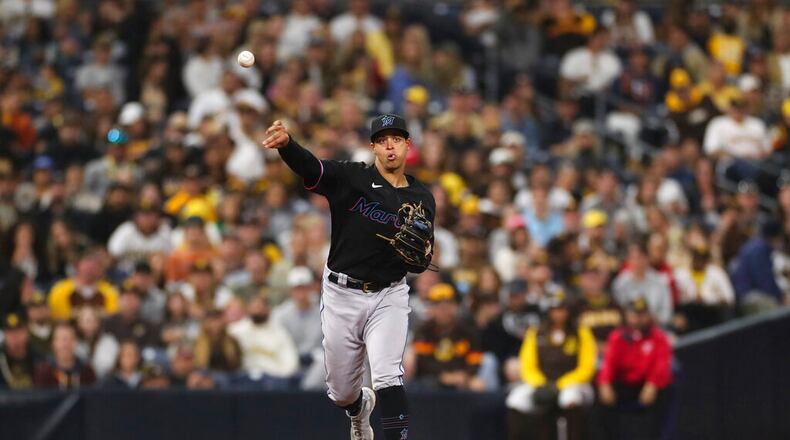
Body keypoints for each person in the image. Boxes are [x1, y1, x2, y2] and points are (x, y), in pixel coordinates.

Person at [262, 114, 436, 440]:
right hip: (343, 293)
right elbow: (312, 169)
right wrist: (288, 146)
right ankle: (358, 409)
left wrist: (420, 258)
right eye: (382, 140)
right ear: (372, 147)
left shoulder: (422, 197)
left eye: (396, 138)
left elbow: (419, 259)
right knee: (341, 392)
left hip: (389, 295)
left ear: (407, 144)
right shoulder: (351, 178)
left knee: (388, 376)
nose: (390, 145)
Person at [506, 295, 596, 440]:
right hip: (543, 382)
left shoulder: (580, 332)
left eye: (562, 309)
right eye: (554, 310)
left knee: (569, 398)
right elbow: (527, 365)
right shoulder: (536, 332)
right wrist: (542, 384)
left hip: (573, 382)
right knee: (516, 400)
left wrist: (561, 384)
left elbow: (587, 367)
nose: (558, 314)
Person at [597, 298, 673, 440]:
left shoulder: (659, 337)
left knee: (665, 389)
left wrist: (652, 384)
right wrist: (605, 383)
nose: (637, 319)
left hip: (648, 385)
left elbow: (662, 364)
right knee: (601, 398)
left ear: (648, 315)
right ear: (627, 316)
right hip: (624, 384)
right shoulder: (617, 336)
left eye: (641, 314)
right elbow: (609, 362)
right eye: (634, 314)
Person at [409, 283, 484, 391]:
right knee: (409, 358)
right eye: (438, 305)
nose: (443, 310)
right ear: (431, 309)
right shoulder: (423, 331)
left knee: (478, 384)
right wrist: (444, 376)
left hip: (462, 378)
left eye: (448, 304)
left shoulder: (467, 330)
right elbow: (423, 362)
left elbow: (475, 358)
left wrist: (464, 375)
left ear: (456, 306)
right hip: (431, 378)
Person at [34, 322, 97, 389]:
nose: (66, 344)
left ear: (76, 342)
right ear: (54, 343)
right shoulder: (44, 372)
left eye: (70, 339)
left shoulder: (87, 371)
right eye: (62, 339)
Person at [0, 312, 39, 389]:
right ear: (5, 335)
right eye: (10, 332)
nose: (14, 336)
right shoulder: (1, 358)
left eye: (18, 331)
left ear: (27, 332)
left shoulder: (38, 358)